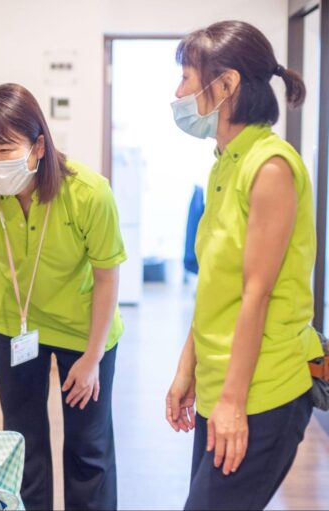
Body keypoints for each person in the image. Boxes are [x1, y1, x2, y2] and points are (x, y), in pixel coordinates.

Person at [0, 83, 125, 510]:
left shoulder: (89, 193)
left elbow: (108, 278)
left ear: (38, 147)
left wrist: (92, 359)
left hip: (84, 328)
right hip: (14, 324)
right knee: (23, 440)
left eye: (5, 149)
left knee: (88, 448)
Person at [165, 20, 324, 511]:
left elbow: (257, 293)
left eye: (187, 78)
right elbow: (217, 286)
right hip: (222, 381)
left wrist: (233, 402)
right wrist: (187, 368)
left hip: (262, 391)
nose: (179, 93)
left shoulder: (270, 166)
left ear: (227, 83)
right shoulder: (225, 161)